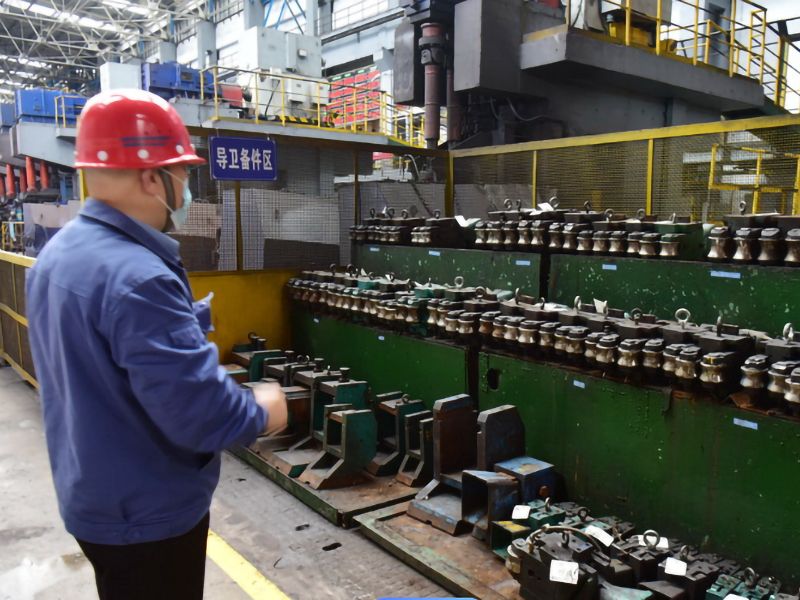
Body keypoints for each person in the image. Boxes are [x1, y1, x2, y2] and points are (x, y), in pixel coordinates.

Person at [25, 89, 288, 600]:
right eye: (183, 173)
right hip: (147, 517)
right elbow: (200, 416)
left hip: (93, 496)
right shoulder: (140, 278)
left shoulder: (59, 255)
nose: (186, 190)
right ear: (151, 177)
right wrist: (261, 409)